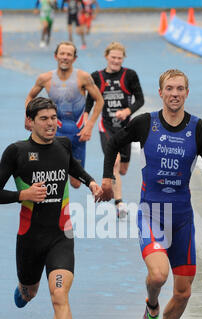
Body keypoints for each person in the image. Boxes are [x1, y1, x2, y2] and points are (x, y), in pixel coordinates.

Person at [101, 69, 202, 319]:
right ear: (160, 93)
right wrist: (108, 178)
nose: (175, 93)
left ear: (186, 92)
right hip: (152, 214)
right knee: (158, 276)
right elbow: (113, 143)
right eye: (169, 88)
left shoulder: (199, 129)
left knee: (183, 293)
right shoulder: (146, 124)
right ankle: (151, 306)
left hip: (182, 218)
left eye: (180, 89)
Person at [0, 97, 103, 319]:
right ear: (30, 121)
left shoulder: (63, 145)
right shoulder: (16, 152)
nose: (52, 123)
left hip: (60, 236)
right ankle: (24, 291)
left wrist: (91, 183)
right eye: (44, 119)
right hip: (29, 239)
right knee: (31, 293)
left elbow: (73, 167)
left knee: (59, 296)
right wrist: (22, 195)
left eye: (54, 118)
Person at [25, 41, 104, 189]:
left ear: (74, 58)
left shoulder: (83, 77)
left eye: (69, 54)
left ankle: (68, 166)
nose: (65, 57)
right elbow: (30, 97)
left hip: (78, 133)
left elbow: (99, 100)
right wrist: (28, 118)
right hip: (54, 132)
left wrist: (90, 125)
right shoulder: (45, 78)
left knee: (76, 183)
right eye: (62, 53)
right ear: (56, 56)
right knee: (52, 175)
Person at [85, 41, 144, 218]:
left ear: (123, 58)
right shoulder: (96, 77)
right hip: (106, 126)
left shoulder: (130, 75)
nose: (116, 61)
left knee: (123, 169)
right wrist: (86, 120)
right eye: (113, 57)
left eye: (119, 58)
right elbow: (90, 101)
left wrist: (127, 111)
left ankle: (115, 181)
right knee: (115, 162)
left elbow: (140, 100)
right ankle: (119, 203)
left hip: (126, 128)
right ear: (106, 57)